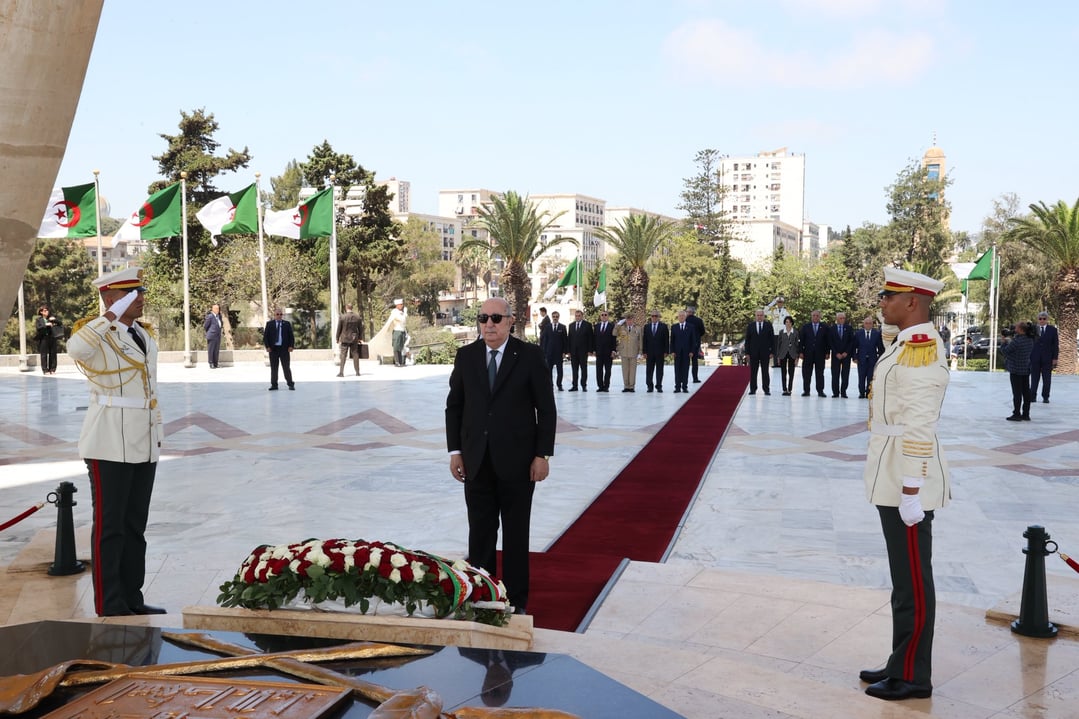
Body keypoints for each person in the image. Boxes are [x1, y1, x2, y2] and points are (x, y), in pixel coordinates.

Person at [860, 267, 949, 702]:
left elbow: (919, 423)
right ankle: (901, 660)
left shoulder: (922, 349)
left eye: (889, 296)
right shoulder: (905, 344)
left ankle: (913, 674)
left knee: (913, 580)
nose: (882, 302)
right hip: (892, 473)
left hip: (906, 480)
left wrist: (912, 487)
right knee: (903, 580)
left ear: (912, 302)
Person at [445, 297, 557, 613]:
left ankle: (516, 600)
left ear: (510, 321)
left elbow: (546, 409)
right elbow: (454, 407)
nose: (489, 325)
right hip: (476, 461)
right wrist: (456, 451)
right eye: (483, 318)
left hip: (519, 463)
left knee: (516, 534)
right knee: (480, 533)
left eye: (495, 318)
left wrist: (542, 455)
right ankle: (482, 596)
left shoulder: (530, 356)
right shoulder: (466, 356)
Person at [66, 267, 165, 617]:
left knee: (135, 526)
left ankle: (132, 597)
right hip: (108, 442)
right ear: (111, 298)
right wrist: (108, 315)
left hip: (143, 440)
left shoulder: (142, 333)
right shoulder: (97, 334)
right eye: (130, 294)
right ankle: (110, 603)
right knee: (110, 528)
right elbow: (75, 349)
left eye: (140, 292)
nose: (140, 298)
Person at [1001, 321, 1034, 421]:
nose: (1014, 329)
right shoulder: (1030, 340)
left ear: (1020, 329)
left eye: (1016, 327)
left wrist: (1003, 343)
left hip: (1016, 370)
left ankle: (1016, 414)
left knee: (1017, 393)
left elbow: (1005, 351)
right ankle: (1026, 414)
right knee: (1026, 392)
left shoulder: (1017, 341)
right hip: (1025, 369)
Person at [1029, 311, 1059, 403]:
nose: (1042, 320)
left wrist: (1055, 358)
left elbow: (1055, 345)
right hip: (1035, 357)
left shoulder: (1052, 330)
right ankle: (1032, 396)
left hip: (1047, 358)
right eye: (1040, 318)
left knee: (1047, 379)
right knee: (1034, 378)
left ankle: (1045, 397)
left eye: (1044, 319)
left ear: (1047, 319)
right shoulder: (1033, 329)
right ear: (1038, 319)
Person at [798, 310, 829, 397]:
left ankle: (820, 391)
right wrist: (800, 352)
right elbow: (801, 340)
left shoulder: (825, 327)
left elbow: (827, 341)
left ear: (820, 317)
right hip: (808, 354)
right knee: (806, 373)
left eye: (817, 316)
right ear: (811, 317)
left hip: (820, 354)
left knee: (820, 373)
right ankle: (806, 390)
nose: (815, 317)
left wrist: (827, 352)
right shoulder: (805, 327)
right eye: (814, 315)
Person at [263, 309, 295, 390]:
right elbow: (266, 337)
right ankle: (274, 385)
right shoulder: (269, 324)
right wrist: (267, 347)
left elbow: (291, 336)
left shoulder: (286, 324)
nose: (279, 316)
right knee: (274, 368)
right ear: (274, 315)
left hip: (284, 349)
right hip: (273, 349)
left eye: (281, 314)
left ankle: (290, 384)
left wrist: (291, 346)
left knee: (286, 367)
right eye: (277, 314)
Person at [854, 315, 885, 399]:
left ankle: (868, 392)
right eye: (866, 323)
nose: (868, 325)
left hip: (872, 359)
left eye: (870, 323)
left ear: (872, 324)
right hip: (861, 359)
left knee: (870, 377)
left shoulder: (876, 334)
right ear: (864, 324)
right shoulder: (858, 333)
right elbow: (854, 346)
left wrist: (879, 357)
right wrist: (855, 357)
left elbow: (880, 347)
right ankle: (861, 393)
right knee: (861, 376)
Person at [745, 308, 774, 395]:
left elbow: (772, 340)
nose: (759, 317)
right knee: (753, 372)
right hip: (753, 353)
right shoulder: (751, 326)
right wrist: (747, 353)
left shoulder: (768, 325)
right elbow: (747, 340)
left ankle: (766, 389)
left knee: (765, 371)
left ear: (764, 316)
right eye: (758, 315)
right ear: (755, 316)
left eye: (761, 315)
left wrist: (772, 352)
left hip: (765, 353)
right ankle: (753, 389)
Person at [829, 311, 855, 398]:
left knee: (845, 374)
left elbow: (851, 341)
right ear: (837, 319)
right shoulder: (832, 329)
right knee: (835, 374)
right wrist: (836, 353)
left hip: (846, 355)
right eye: (840, 318)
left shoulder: (849, 328)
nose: (842, 319)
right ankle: (835, 392)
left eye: (844, 318)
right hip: (836, 355)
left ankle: (843, 391)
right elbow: (830, 342)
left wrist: (846, 352)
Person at [670, 310, 697, 393]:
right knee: (677, 369)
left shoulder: (691, 327)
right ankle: (677, 387)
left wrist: (692, 351)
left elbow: (693, 340)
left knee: (685, 369)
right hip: (677, 353)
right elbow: (672, 341)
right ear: (678, 317)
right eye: (680, 316)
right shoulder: (674, 327)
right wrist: (672, 351)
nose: (681, 317)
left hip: (687, 352)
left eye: (683, 316)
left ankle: (684, 387)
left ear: (685, 317)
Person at [566, 309, 593, 391]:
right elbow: (569, 339)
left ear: (582, 316)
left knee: (583, 369)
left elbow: (590, 339)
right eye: (576, 316)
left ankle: (584, 385)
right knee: (574, 370)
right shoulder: (571, 325)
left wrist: (590, 350)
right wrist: (568, 351)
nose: (577, 317)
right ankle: (575, 386)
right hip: (573, 352)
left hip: (583, 352)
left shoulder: (587, 325)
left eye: (579, 316)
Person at [642, 310, 669, 393]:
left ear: (659, 317)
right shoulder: (646, 327)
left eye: (656, 316)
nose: (654, 317)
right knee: (649, 370)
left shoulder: (663, 326)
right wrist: (644, 352)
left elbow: (666, 340)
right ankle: (649, 386)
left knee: (659, 370)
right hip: (649, 353)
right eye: (652, 316)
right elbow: (644, 340)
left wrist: (666, 351)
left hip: (660, 352)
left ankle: (659, 386)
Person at [540, 310, 567, 390]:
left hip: (559, 353)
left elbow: (565, 340)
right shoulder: (547, 327)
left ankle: (559, 385)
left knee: (560, 370)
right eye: (554, 317)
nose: (555, 318)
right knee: (549, 370)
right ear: (552, 317)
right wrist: (544, 351)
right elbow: (544, 340)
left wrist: (564, 352)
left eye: (556, 317)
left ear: (559, 317)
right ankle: (550, 384)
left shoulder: (562, 327)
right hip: (549, 353)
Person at [615, 313, 642, 392]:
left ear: (633, 320)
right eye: (627, 319)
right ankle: (626, 386)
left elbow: (640, 340)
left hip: (634, 352)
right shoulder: (622, 328)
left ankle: (631, 387)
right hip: (624, 352)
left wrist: (640, 352)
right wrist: (618, 324)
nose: (629, 321)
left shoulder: (638, 328)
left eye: (631, 319)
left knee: (633, 370)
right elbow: (614, 333)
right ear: (625, 320)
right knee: (625, 370)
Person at [336, 303, 362, 377]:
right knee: (355, 354)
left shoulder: (342, 317)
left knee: (343, 355)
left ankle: (341, 372)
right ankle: (357, 372)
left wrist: (337, 338)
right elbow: (360, 329)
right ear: (352, 308)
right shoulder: (357, 317)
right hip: (354, 338)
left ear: (346, 308)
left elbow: (339, 329)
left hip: (344, 338)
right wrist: (360, 338)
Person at [765, 296, 792, 367]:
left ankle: (782, 363)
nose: (779, 303)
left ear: (783, 303)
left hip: (783, 332)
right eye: (778, 302)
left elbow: (789, 322)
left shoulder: (786, 311)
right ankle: (775, 363)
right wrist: (772, 303)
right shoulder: (774, 310)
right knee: (775, 348)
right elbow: (764, 311)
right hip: (775, 332)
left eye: (781, 302)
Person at [775, 315, 799, 395]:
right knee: (783, 372)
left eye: (789, 322)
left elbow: (797, 345)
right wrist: (778, 356)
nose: (787, 324)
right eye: (786, 322)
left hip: (792, 354)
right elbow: (779, 345)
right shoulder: (781, 332)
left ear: (792, 323)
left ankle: (789, 389)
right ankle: (784, 389)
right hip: (783, 354)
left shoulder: (795, 332)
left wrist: (797, 357)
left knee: (791, 372)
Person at [593, 310, 616, 392]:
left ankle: (606, 386)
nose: (604, 316)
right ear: (600, 316)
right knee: (599, 370)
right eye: (602, 315)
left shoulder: (612, 326)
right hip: (599, 352)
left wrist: (613, 350)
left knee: (608, 371)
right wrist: (594, 350)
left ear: (608, 316)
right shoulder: (596, 326)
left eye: (605, 315)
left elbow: (614, 339)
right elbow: (594, 339)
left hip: (608, 353)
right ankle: (600, 386)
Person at [35, 305, 62, 374]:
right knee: (44, 354)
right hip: (43, 338)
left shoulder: (51, 318)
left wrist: (54, 320)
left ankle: (52, 369)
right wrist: (46, 325)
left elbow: (60, 323)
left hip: (52, 337)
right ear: (41, 312)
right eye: (45, 310)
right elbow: (38, 328)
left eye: (47, 310)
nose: (47, 312)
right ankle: (45, 370)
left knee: (53, 354)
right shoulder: (39, 320)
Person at [685, 305, 706, 382]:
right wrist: (697, 336)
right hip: (696, 343)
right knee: (694, 361)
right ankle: (695, 378)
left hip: (686, 343)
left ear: (689, 312)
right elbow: (703, 331)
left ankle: (684, 378)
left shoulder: (685, 320)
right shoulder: (699, 320)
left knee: (685, 361)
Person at [203, 303, 223, 368]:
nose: (218, 310)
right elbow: (205, 326)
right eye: (216, 309)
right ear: (213, 309)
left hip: (218, 336)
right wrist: (210, 332)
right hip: (211, 336)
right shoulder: (210, 316)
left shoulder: (219, 316)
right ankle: (211, 363)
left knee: (216, 350)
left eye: (218, 308)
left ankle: (216, 364)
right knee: (211, 350)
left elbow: (220, 325)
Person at [389, 299, 408, 367]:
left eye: (402, 304)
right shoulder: (394, 312)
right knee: (396, 347)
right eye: (400, 304)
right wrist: (405, 313)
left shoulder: (401, 312)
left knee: (400, 347)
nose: (402, 306)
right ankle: (397, 361)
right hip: (397, 330)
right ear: (397, 305)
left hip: (402, 330)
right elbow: (402, 320)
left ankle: (400, 361)